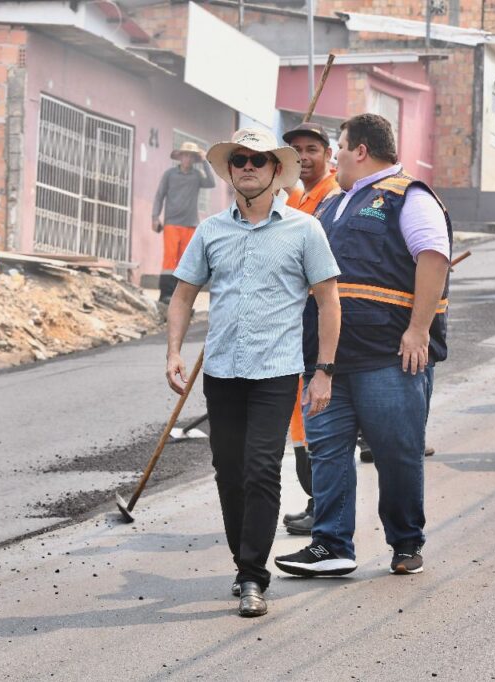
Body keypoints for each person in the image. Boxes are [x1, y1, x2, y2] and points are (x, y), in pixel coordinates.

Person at [165, 128, 341, 617]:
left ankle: (251, 574)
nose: (247, 166)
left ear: (274, 171)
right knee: (229, 471)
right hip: (221, 372)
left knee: (262, 468)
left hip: (276, 371)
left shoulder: (304, 230)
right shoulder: (211, 230)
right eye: (239, 159)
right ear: (231, 170)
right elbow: (183, 295)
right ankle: (244, 562)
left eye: (257, 160)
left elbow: (329, 301)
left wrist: (323, 369)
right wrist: (173, 352)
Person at [274, 113, 451, 579]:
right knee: (328, 450)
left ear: (361, 150)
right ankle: (331, 544)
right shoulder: (331, 206)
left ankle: (405, 541)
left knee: (396, 451)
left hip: (389, 357)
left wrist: (417, 330)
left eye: (339, 146)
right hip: (328, 360)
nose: (332, 156)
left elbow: (433, 258)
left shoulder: (407, 195)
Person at [278, 122, 340, 537]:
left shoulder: (334, 201)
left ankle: (324, 506)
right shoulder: (299, 199)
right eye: (295, 150)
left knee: (316, 413)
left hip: (318, 319)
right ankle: (317, 501)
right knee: (300, 417)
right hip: (294, 321)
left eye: (312, 148)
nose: (303, 156)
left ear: (329, 155)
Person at [152, 141, 216, 304]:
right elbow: (159, 195)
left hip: (191, 224)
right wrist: (154, 217)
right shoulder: (170, 174)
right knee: (169, 259)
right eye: (185, 155)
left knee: (185, 261)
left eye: (191, 156)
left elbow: (211, 182)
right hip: (171, 222)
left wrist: (204, 161)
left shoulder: (197, 176)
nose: (187, 159)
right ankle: (165, 294)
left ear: (194, 159)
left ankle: (179, 297)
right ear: (180, 157)